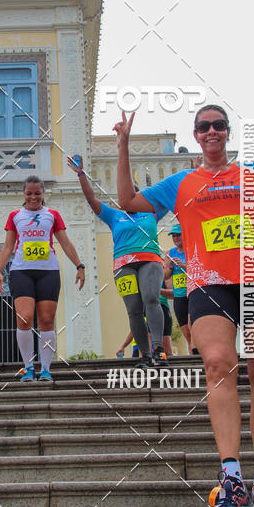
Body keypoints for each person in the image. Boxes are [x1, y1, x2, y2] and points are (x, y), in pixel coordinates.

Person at [115, 93, 254, 507]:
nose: (212, 131)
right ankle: (231, 478)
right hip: (208, 286)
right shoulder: (181, 183)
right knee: (216, 364)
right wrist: (123, 145)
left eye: (219, 124)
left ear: (227, 132)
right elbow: (129, 202)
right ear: (196, 136)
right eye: (204, 126)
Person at [68, 155, 165, 365]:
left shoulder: (152, 213)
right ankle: (145, 355)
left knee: (151, 298)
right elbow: (92, 200)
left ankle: (158, 349)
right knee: (134, 309)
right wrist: (81, 175)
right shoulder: (114, 216)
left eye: (134, 194)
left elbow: (175, 198)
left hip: (150, 260)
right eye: (125, 194)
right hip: (123, 266)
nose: (130, 197)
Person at [0, 176, 84, 381]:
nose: (33, 197)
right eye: (29, 193)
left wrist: (79, 265)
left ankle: (45, 368)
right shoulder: (15, 215)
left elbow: (65, 242)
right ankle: (28, 367)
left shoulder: (52, 215)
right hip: (21, 271)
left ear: (43, 194)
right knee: (24, 318)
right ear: (23, 194)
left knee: (46, 320)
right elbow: (8, 246)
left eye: (37, 193)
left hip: (48, 271)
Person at [164, 224, 197, 354]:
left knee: (192, 325)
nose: (176, 238)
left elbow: (197, 270)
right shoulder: (170, 253)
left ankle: (198, 354)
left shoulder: (192, 249)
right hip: (179, 296)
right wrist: (170, 267)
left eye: (178, 235)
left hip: (192, 293)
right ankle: (193, 356)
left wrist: (183, 266)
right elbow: (165, 276)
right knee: (186, 332)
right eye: (173, 236)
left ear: (185, 235)